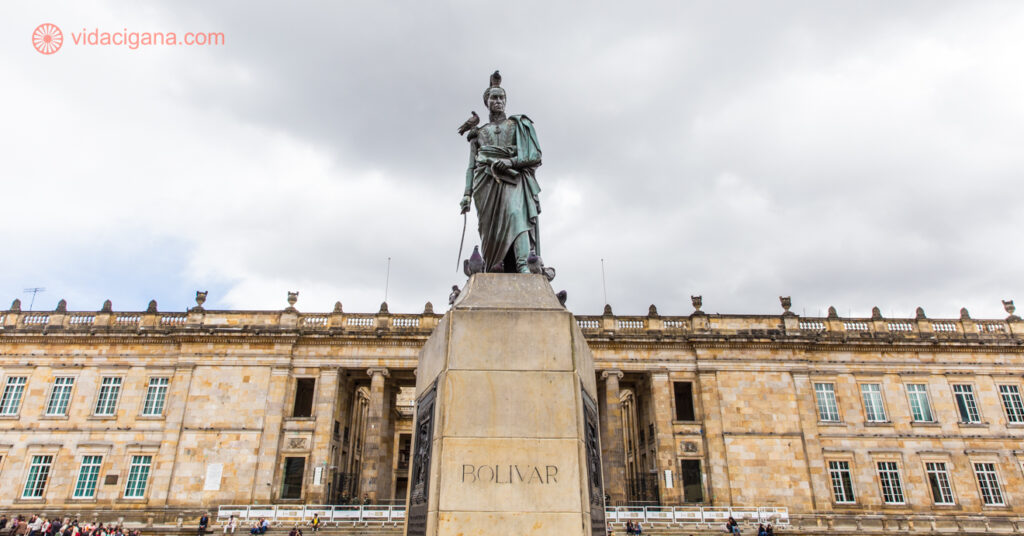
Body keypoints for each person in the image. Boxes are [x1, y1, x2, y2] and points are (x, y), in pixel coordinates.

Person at [460, 71, 544, 274]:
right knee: (491, 233)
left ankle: (523, 265)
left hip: (514, 179)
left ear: (506, 101)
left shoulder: (517, 125)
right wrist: (466, 194)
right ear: (486, 102)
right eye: (493, 97)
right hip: (485, 186)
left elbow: (535, 155)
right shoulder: (478, 134)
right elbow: (471, 166)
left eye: (501, 97)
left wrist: (510, 161)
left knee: (517, 215)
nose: (497, 101)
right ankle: (493, 268)